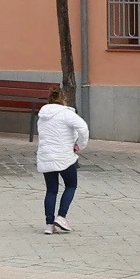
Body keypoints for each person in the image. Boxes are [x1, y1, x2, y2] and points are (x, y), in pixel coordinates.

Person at [34, 96, 90, 235]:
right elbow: (83, 127)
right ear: (63, 100)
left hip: (46, 156)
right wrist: (80, 145)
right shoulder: (66, 113)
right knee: (71, 185)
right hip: (64, 157)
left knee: (51, 190)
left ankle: (49, 224)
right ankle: (61, 216)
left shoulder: (42, 115)